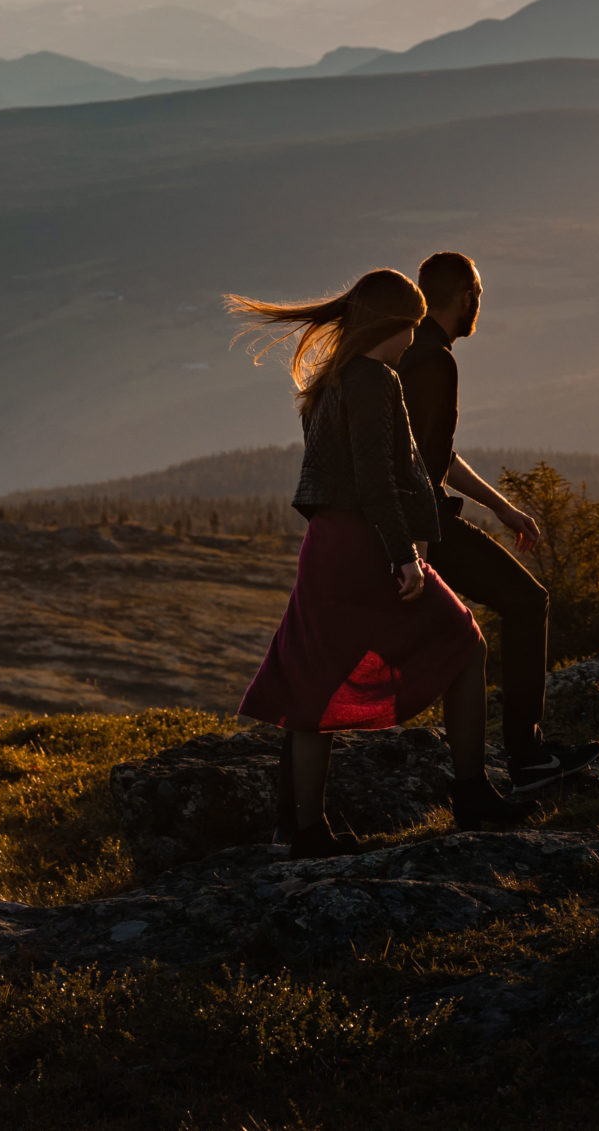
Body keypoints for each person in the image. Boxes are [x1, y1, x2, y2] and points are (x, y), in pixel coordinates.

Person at [226, 267, 535, 855]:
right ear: (392, 325)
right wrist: (405, 555)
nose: (411, 342)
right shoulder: (373, 380)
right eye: (410, 328)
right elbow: (377, 480)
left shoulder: (331, 381)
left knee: (314, 686)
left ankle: (306, 832)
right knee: (465, 643)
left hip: (326, 547)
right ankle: (470, 794)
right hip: (366, 546)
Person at [398, 251, 599, 793]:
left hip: (416, 524)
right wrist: (416, 545)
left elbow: (435, 452)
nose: (480, 305)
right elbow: (417, 463)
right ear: (466, 294)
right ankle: (526, 754)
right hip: (424, 527)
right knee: (526, 600)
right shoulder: (433, 360)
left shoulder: (417, 351)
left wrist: (501, 506)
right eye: (479, 294)